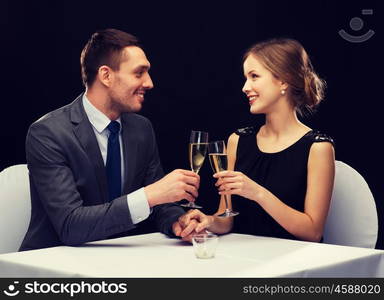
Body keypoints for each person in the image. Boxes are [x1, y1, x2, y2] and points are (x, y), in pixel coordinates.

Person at [20, 29, 200, 251]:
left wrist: (177, 221)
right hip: (50, 264)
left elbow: (160, 205)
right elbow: (70, 226)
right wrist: (148, 196)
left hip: (119, 259)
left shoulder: (142, 129)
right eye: (139, 73)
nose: (150, 83)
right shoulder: (48, 133)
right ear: (106, 76)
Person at [179, 38, 335, 242]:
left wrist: (257, 193)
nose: (245, 87)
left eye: (254, 76)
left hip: (292, 262)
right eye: (246, 78)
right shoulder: (237, 140)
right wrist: (207, 221)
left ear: (284, 80)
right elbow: (226, 219)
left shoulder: (318, 147)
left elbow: (312, 232)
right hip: (242, 257)